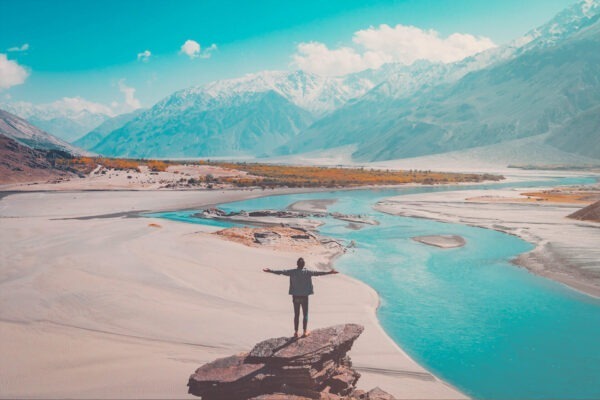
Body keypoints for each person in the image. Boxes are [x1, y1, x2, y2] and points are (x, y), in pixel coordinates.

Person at [263, 257, 338, 338]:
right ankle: (305, 331)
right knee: (305, 314)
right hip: (304, 297)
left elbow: (281, 272)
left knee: (296, 314)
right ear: (303, 265)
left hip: (295, 296)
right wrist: (330, 272)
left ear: (297, 264)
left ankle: (296, 332)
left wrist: (270, 270)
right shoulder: (308, 272)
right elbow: (318, 273)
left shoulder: (292, 272)